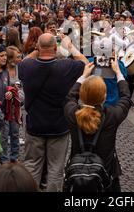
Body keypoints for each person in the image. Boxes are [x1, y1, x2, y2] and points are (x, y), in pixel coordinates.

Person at [19, 33, 88, 191]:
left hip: (35, 125)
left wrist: (38, 48)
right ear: (56, 47)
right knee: (56, 169)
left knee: (32, 165)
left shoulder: (27, 66)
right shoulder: (66, 66)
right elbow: (85, 63)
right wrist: (69, 45)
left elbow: (23, 61)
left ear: (37, 47)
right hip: (59, 126)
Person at [64, 60, 132, 192]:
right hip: (106, 176)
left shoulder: (73, 113)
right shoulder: (111, 115)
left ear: (82, 95)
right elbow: (125, 97)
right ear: (104, 96)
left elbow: (70, 97)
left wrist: (83, 76)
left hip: (76, 176)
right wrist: (118, 73)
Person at [0, 46, 24, 164]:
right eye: (18, 57)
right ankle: (4, 159)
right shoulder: (3, 71)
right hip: (5, 106)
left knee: (15, 132)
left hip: (16, 107)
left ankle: (14, 157)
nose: (21, 59)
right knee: (4, 135)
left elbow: (23, 85)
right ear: (10, 59)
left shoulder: (20, 69)